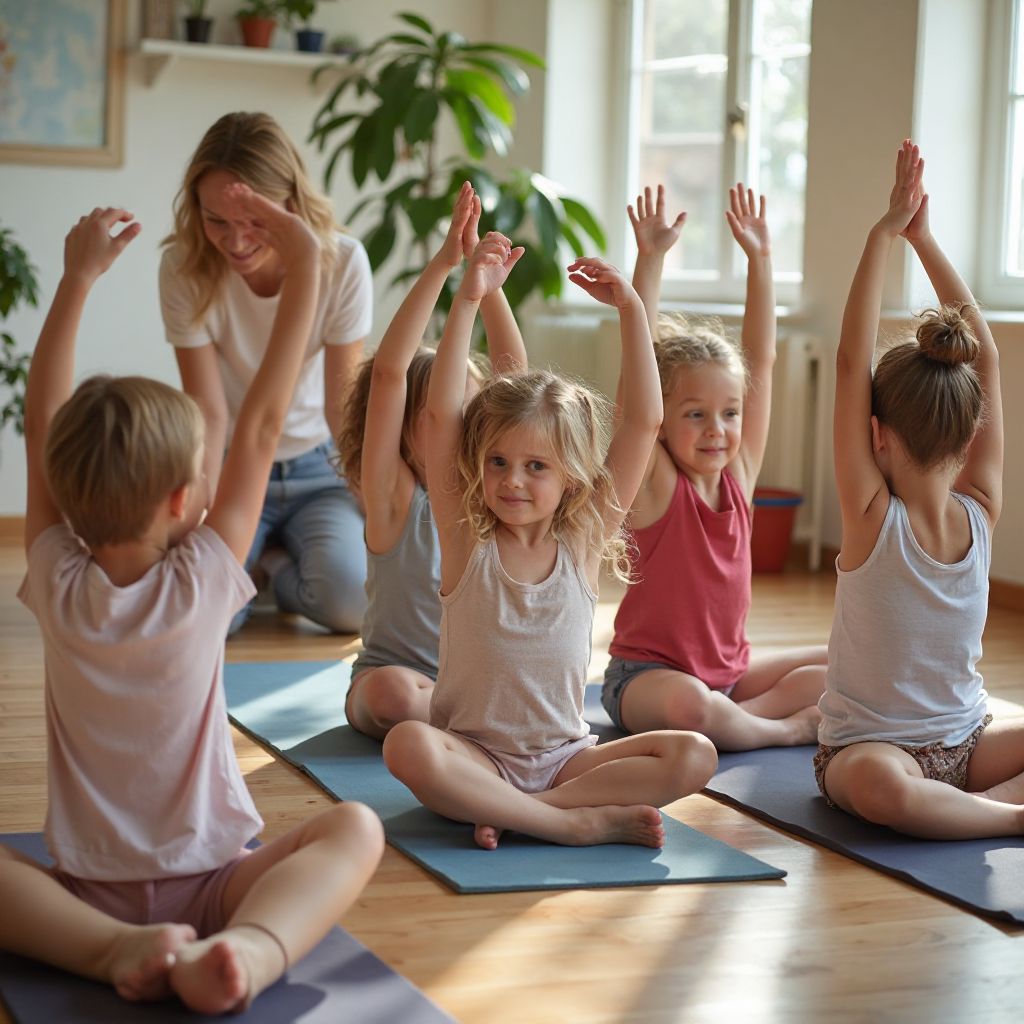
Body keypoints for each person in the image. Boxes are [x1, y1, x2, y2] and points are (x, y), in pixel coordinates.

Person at [1, 197, 383, 1014]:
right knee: (357, 828)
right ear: (183, 500)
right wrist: (308, 267)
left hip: (85, 892)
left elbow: (41, 427)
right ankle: (250, 946)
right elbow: (264, 425)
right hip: (215, 886)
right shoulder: (205, 576)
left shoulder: (55, 580)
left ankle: (113, 950)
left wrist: (76, 280)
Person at [381, 232, 717, 850]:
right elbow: (437, 418)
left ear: (572, 478)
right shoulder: (466, 539)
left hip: (566, 761)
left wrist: (633, 311)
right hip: (475, 755)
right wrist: (466, 302)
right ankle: (564, 823)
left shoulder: (586, 539)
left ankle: (525, 811)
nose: (512, 480)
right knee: (406, 743)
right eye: (499, 462)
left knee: (694, 754)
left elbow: (644, 420)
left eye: (537, 467)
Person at [815, 140, 1024, 839]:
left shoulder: (875, 510)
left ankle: (971, 810)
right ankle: (1007, 819)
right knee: (879, 785)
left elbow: (850, 363)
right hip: (871, 754)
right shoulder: (937, 513)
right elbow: (986, 355)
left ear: (878, 435)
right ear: (972, 439)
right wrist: (925, 243)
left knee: (896, 789)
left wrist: (889, 235)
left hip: (968, 745)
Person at [601, 184, 827, 750]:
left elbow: (763, 362)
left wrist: (762, 261)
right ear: (664, 420)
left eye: (729, 413)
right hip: (646, 681)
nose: (716, 430)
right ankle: (777, 730)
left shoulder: (740, 473)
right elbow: (635, 394)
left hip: (730, 678)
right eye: (695, 414)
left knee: (842, 661)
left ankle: (743, 719)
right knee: (690, 704)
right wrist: (648, 262)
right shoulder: (655, 485)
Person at [159, 111, 371, 635]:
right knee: (208, 615)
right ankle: (253, 561)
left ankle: (273, 566)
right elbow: (207, 409)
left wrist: (380, 503)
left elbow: (340, 406)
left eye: (256, 219)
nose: (235, 241)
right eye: (217, 221)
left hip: (320, 469)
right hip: (235, 465)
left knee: (350, 606)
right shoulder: (183, 269)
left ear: (291, 205)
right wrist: (195, 509)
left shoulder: (342, 262)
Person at [336, 183, 528, 739]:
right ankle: (482, 737)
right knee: (393, 693)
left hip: (475, 682)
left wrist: (486, 284)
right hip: (402, 682)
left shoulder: (493, 493)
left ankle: (477, 733)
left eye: (467, 410)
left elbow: (516, 381)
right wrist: (445, 266)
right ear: (405, 428)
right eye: (438, 414)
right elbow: (389, 374)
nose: (457, 425)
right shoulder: (393, 496)